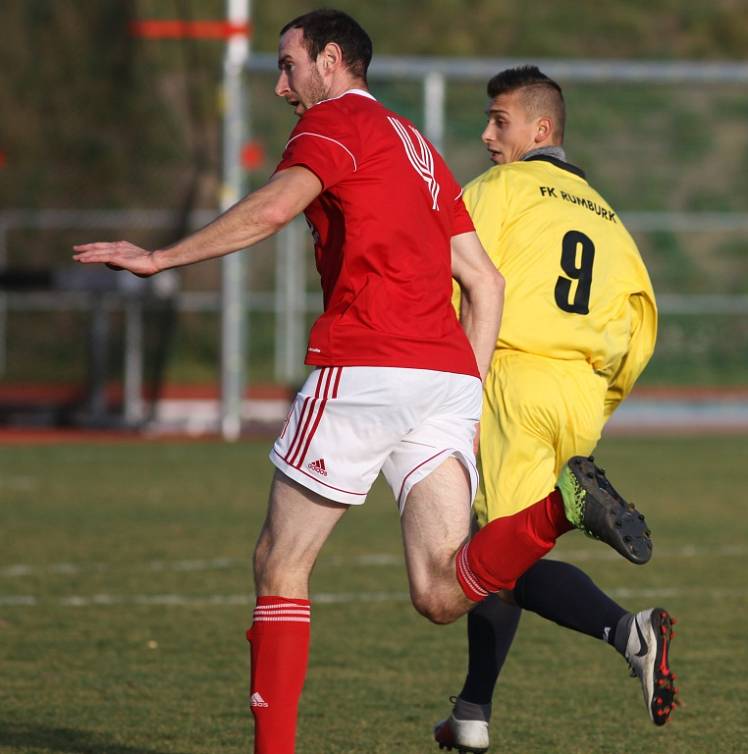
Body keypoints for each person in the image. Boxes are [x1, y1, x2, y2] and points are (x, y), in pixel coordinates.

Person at [73, 13, 653, 753]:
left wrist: (161, 257)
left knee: (279, 564)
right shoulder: (419, 147)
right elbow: (484, 282)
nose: (282, 86)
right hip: (442, 375)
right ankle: (561, 510)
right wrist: (466, 396)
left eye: (288, 65)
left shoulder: (335, 121)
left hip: (367, 362)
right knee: (443, 591)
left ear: (331, 59)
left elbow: (275, 207)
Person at [433, 67, 676, 754]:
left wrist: (446, 379)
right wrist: (598, 402)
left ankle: (631, 634)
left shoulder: (498, 191)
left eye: (499, 121)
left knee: (496, 558)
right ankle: (473, 713)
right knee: (501, 546)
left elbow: (452, 279)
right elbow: (641, 322)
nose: (486, 135)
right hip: (579, 395)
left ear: (541, 130)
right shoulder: (605, 213)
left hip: (512, 377)